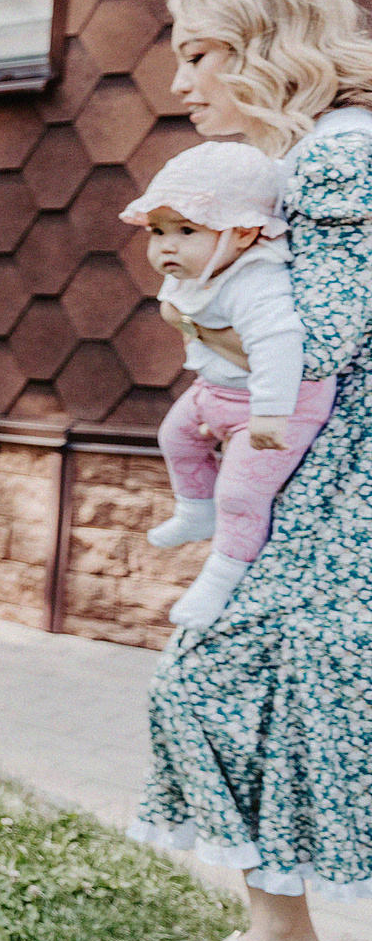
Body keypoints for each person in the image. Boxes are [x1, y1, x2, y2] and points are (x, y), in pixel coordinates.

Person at [135, 0, 372, 941]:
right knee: (262, 679)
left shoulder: (335, 157)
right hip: (320, 473)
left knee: (219, 669)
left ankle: (282, 938)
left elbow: (317, 341)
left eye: (199, 55)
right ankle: (282, 939)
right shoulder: (315, 156)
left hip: (339, 484)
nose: (180, 84)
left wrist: (193, 299)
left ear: (265, 48)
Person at [121, 142, 329, 627]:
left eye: (186, 230)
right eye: (157, 231)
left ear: (243, 233)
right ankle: (196, 510)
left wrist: (271, 416)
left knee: (242, 495)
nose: (166, 245)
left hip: (278, 406)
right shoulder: (197, 267)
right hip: (214, 390)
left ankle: (219, 580)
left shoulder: (257, 280)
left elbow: (281, 345)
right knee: (173, 437)